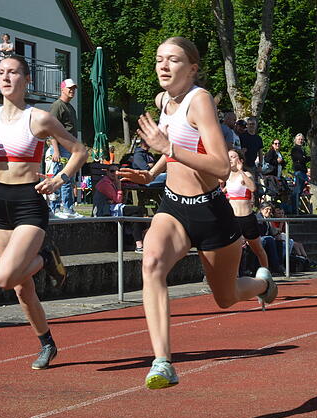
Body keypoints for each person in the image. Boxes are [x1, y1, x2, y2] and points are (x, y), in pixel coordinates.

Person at [116, 37, 277, 390]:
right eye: (159, 59)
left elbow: (221, 167)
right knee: (152, 263)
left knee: (225, 297)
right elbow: (174, 141)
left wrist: (167, 148)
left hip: (211, 212)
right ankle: (163, 362)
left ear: (192, 68)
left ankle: (264, 284)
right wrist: (152, 172)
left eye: (172, 60)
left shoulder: (199, 100)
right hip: (174, 205)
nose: (162, 65)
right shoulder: (164, 101)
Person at [0, 55, 87, 370]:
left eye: (13, 72)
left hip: (29, 201)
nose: (6, 77)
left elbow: (79, 151)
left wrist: (60, 179)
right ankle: (47, 344)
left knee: (3, 277)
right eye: (2, 72)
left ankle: (46, 257)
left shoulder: (39, 118)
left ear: (26, 79)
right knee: (21, 285)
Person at [225, 148, 269, 270]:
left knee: (258, 249)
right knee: (234, 250)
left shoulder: (246, 175)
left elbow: (253, 188)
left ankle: (266, 273)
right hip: (233, 219)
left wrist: (241, 172)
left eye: (233, 157)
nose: (230, 159)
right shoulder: (227, 176)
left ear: (240, 160)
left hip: (247, 219)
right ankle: (234, 277)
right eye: (228, 157)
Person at [46, 78, 82, 218]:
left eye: (73, 88)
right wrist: (55, 150)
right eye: (69, 88)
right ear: (62, 89)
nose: (72, 91)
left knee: (68, 179)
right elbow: (51, 129)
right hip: (60, 148)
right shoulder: (57, 106)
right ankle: (57, 209)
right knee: (61, 178)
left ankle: (67, 208)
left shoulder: (70, 107)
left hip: (70, 148)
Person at [93, 164, 146, 251]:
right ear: (107, 172)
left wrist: (113, 199)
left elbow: (116, 201)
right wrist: (119, 187)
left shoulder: (112, 182)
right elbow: (118, 200)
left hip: (113, 208)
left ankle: (138, 244)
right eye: (112, 171)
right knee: (138, 210)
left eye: (117, 171)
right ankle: (142, 236)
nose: (115, 173)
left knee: (134, 215)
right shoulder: (105, 183)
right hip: (104, 210)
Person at [289, 132, 310, 214]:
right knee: (297, 192)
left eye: (302, 139)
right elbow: (300, 159)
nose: (300, 141)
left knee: (300, 191)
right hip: (299, 172)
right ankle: (295, 210)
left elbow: (303, 159)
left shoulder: (302, 149)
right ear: (295, 140)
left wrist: (305, 158)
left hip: (303, 172)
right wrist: (305, 158)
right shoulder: (295, 149)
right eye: (299, 139)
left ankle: (297, 209)